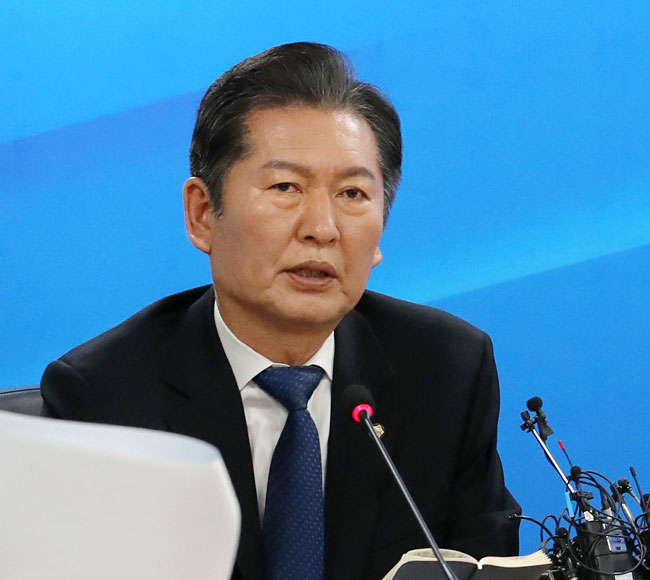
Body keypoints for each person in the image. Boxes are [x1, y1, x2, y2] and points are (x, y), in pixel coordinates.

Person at [41, 42, 520, 580]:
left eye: (352, 194)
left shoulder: (447, 370)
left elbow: (487, 561)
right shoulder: (105, 398)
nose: (322, 228)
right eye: (286, 186)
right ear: (203, 214)